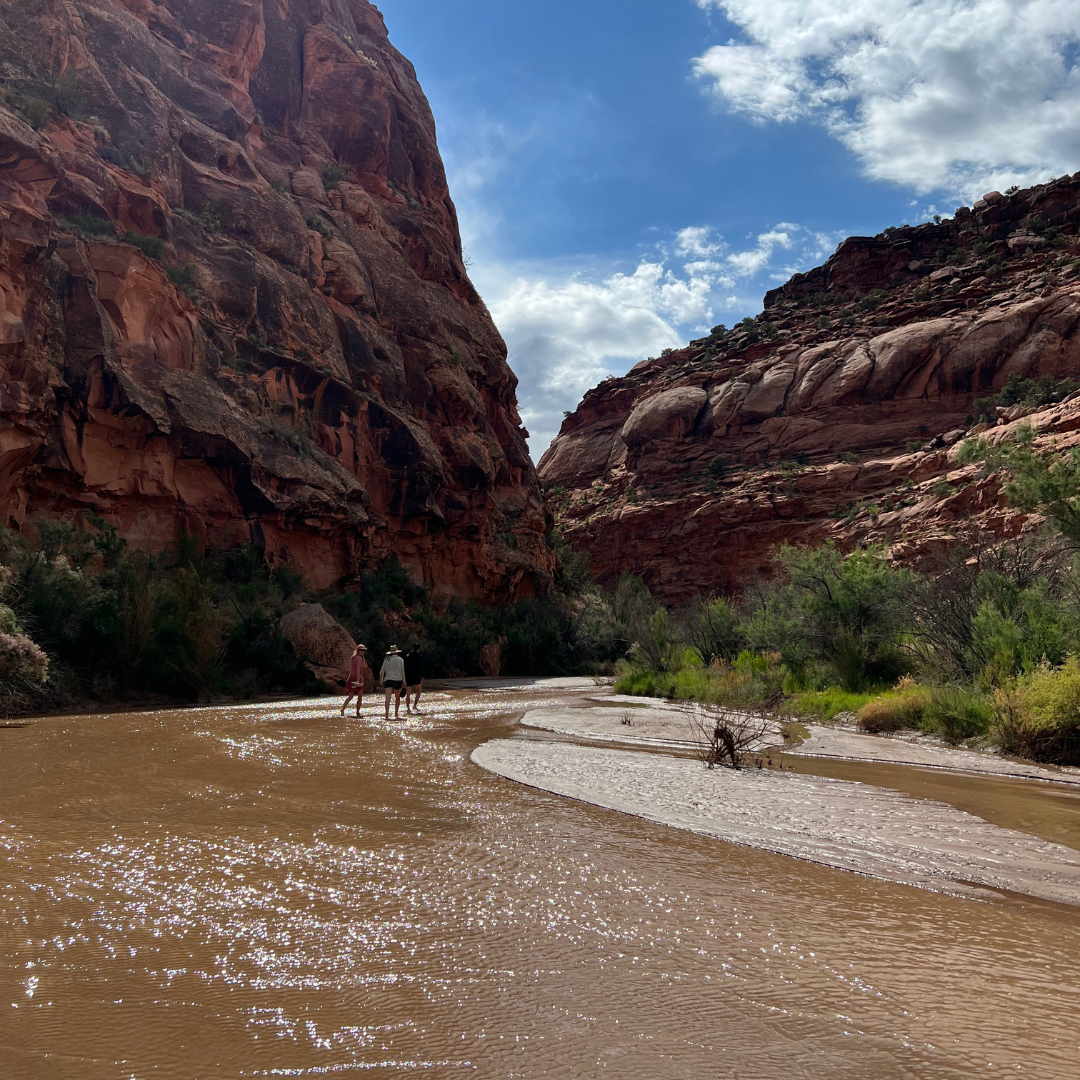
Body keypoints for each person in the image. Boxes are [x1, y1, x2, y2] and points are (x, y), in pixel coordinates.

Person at [340, 644, 371, 717]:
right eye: (361, 650)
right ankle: (358, 712)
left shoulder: (353, 657)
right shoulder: (359, 658)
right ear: (358, 650)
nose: (363, 651)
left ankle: (343, 709)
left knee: (350, 696)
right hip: (357, 678)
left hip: (351, 678)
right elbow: (357, 670)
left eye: (364, 650)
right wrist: (358, 680)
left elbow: (352, 669)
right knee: (360, 696)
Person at [379, 645, 406, 720]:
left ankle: (386, 715)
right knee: (397, 697)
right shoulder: (400, 659)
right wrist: (404, 682)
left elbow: (381, 672)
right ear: (397, 652)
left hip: (388, 680)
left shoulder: (386, 660)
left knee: (388, 698)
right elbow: (402, 671)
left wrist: (381, 681)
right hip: (398, 680)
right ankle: (396, 714)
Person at [404, 643, 426, 714]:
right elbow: (421, 667)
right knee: (419, 690)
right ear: (419, 649)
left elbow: (405, 667)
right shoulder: (419, 656)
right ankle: (414, 705)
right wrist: (422, 676)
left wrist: (404, 676)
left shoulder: (408, 656)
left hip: (408, 676)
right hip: (416, 676)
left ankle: (408, 708)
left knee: (408, 693)